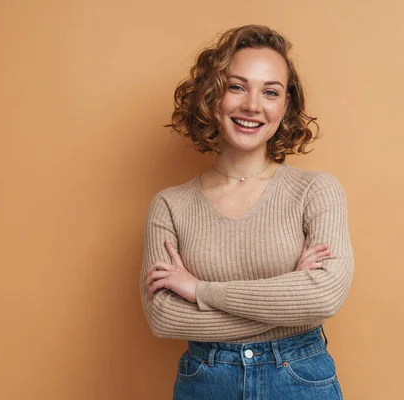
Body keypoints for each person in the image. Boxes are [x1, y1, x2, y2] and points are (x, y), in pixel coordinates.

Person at [140, 25, 354, 399]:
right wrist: (286, 300)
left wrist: (198, 290)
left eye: (270, 92)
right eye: (236, 86)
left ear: (285, 105)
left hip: (299, 378)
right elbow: (163, 317)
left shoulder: (316, 191)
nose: (253, 105)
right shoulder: (170, 205)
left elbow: (322, 298)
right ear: (212, 95)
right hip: (206, 381)